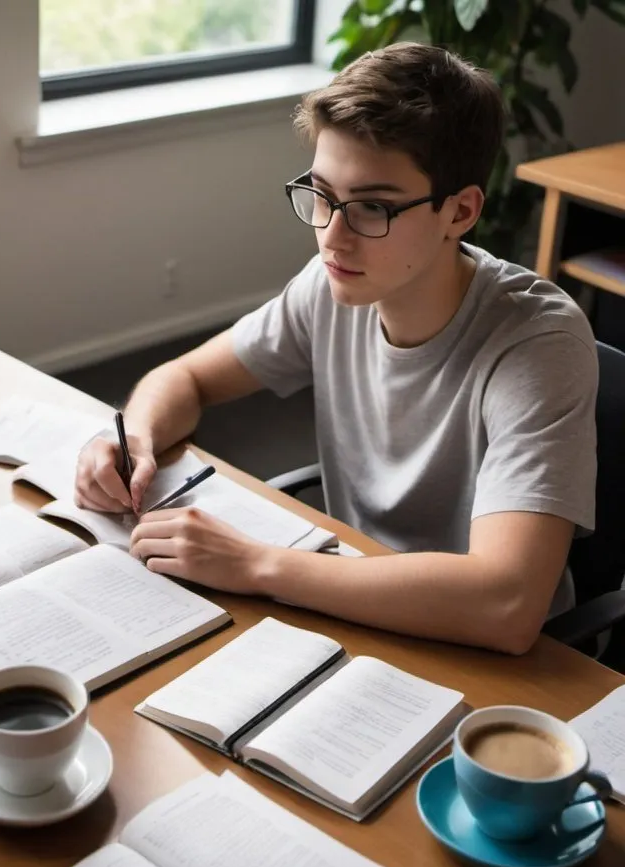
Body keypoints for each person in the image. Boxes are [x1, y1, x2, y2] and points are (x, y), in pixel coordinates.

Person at [73, 42, 597, 656]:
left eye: (372, 206)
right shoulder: (331, 286)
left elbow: (506, 603)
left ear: (459, 211)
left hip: (489, 656)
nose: (332, 235)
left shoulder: (538, 342)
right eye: (321, 194)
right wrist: (134, 435)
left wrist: (257, 566)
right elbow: (188, 378)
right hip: (354, 604)